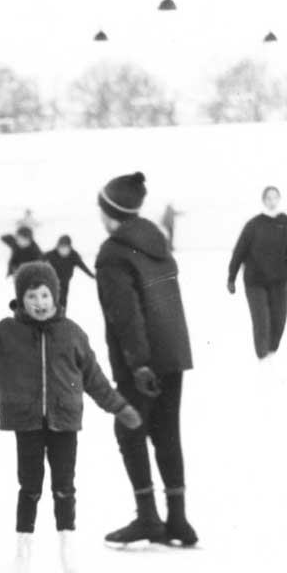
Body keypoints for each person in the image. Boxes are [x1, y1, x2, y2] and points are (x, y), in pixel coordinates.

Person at [0, 262, 141, 573]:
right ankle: (23, 553)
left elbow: (95, 380)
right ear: (21, 298)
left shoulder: (72, 333)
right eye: (32, 296)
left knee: (64, 488)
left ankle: (68, 550)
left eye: (45, 295)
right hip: (27, 422)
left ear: (55, 296)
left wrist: (119, 407)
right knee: (29, 488)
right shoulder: (7, 332)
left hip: (65, 422)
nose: (40, 302)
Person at [94, 172, 197, 547]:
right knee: (167, 432)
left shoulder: (112, 253)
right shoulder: (157, 243)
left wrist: (138, 363)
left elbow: (127, 313)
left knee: (130, 430)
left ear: (110, 212)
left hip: (142, 361)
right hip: (173, 354)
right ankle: (179, 520)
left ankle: (149, 518)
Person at [227, 186, 287, 360]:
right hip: (255, 281)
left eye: (274, 197)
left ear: (279, 199)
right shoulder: (253, 225)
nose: (272, 201)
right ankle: (263, 358)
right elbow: (239, 251)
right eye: (268, 198)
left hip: (279, 281)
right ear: (263, 200)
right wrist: (231, 278)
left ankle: (271, 353)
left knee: (279, 320)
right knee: (262, 321)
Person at [43, 235, 95, 309]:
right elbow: (39, 261)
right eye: (61, 247)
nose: (63, 250)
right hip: (52, 281)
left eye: (65, 248)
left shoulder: (74, 255)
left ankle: (62, 316)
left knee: (63, 300)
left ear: (70, 248)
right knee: (52, 299)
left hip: (65, 281)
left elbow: (82, 266)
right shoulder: (51, 254)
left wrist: (92, 276)